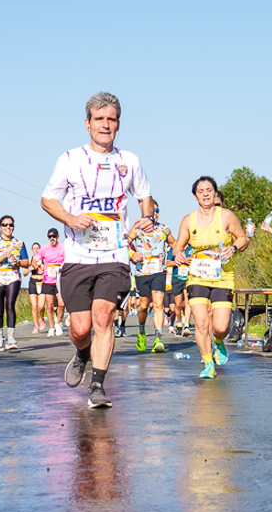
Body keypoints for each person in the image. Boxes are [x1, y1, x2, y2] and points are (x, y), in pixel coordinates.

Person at [41, 92, 154, 408]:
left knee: (103, 317)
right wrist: (70, 218)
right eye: (99, 119)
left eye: (111, 119)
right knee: (80, 328)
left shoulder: (129, 161)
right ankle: (81, 353)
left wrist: (146, 217)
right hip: (78, 255)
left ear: (118, 124)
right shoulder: (70, 159)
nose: (105, 125)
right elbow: (48, 199)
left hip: (114, 255)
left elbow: (144, 195)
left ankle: (97, 385)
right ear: (87, 123)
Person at [174, 176, 249, 379]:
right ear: (195, 196)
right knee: (201, 323)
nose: (205, 194)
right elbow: (178, 245)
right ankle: (208, 363)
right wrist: (178, 254)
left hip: (222, 276)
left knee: (221, 327)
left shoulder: (226, 216)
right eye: (201, 191)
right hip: (197, 276)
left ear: (215, 193)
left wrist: (233, 248)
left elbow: (242, 237)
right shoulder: (188, 220)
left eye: (209, 190)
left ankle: (218, 341)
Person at [128, 202, 173, 353]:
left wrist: (182, 251)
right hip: (142, 272)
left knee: (159, 304)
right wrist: (132, 254)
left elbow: (175, 244)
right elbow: (125, 243)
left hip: (159, 271)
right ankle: (141, 331)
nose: (154, 213)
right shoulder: (137, 228)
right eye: (152, 211)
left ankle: (158, 338)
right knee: (143, 306)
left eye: (157, 210)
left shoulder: (164, 229)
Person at [0, 215, 29, 351]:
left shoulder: (19, 243)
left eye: (11, 225)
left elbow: (26, 262)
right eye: (5, 225)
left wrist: (18, 262)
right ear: (0, 227)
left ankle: (11, 337)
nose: (8, 227)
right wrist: (2, 257)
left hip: (13, 277)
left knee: (10, 305)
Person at [37, 228, 66, 337]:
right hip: (48, 280)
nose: (52, 238)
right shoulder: (44, 249)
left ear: (58, 237)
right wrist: (39, 266)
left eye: (54, 236)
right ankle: (51, 327)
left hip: (60, 279)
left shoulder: (63, 247)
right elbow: (36, 258)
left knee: (61, 304)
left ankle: (58, 323)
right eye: (50, 237)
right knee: (49, 305)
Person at [28, 242, 46, 333]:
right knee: (34, 306)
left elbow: (49, 270)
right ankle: (36, 326)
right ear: (32, 250)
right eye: (34, 248)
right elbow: (24, 272)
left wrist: (43, 269)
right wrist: (30, 269)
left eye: (37, 248)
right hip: (33, 282)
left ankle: (41, 319)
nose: (36, 250)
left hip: (42, 282)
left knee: (41, 306)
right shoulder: (30, 259)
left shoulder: (44, 260)